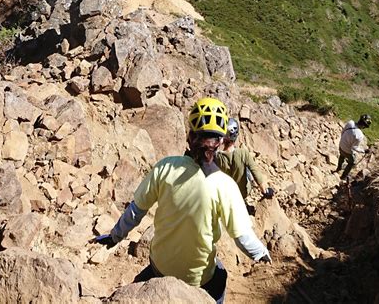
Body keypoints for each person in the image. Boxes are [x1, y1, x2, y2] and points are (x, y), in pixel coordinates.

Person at [95, 97, 271, 303]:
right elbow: (243, 239)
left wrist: (114, 236)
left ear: (189, 136)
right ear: (221, 142)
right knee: (220, 274)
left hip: (160, 266)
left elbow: (136, 211)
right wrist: (262, 253)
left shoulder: (165, 167)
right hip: (199, 279)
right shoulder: (226, 186)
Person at [215, 117, 274, 203]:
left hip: (225, 194)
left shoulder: (216, 156)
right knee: (248, 169)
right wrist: (265, 191)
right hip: (242, 193)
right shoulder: (243, 153)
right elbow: (256, 172)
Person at [335, 114, 372, 179]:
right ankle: (343, 177)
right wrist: (364, 151)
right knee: (352, 162)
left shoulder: (350, 123)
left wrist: (344, 140)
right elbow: (354, 148)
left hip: (341, 145)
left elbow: (343, 131)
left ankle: (338, 168)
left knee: (342, 156)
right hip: (347, 151)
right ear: (364, 126)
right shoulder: (360, 135)